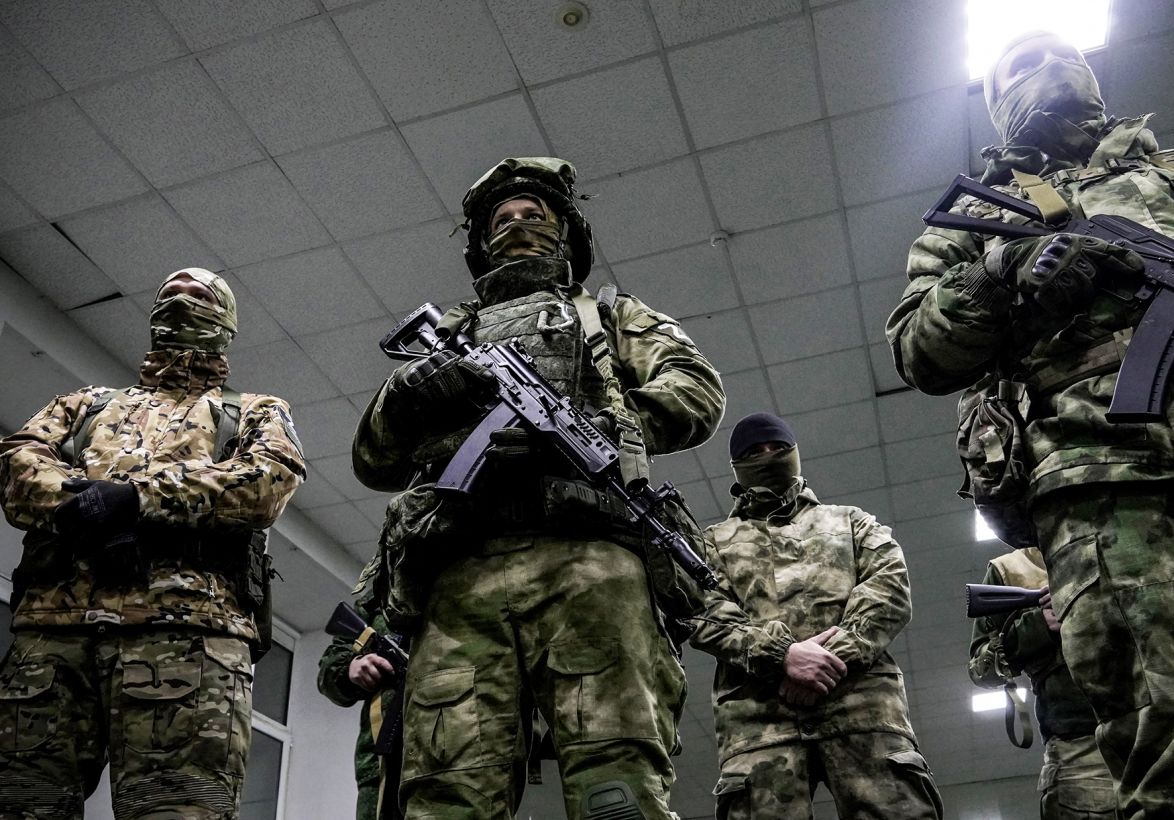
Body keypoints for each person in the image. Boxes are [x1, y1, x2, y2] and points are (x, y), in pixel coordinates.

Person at [888, 30, 1174, 819]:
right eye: (1019, 64)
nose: (1046, 66)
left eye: (1062, 54)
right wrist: (1000, 272)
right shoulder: (977, 218)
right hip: (1112, 484)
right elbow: (919, 350)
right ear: (995, 105)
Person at [351, 156, 725, 819]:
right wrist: (408, 394)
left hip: (589, 566)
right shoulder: (451, 336)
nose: (518, 225)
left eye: (534, 214)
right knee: (446, 793)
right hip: (459, 575)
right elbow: (373, 460)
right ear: (480, 242)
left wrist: (601, 427)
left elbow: (695, 390)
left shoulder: (607, 315)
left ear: (566, 232)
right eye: (503, 218)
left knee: (617, 786)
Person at [0, 267, 305, 817]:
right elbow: (19, 466)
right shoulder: (87, 404)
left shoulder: (252, 410)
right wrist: (87, 510)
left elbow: (267, 483)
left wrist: (135, 499)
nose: (181, 299)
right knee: (21, 804)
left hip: (188, 640)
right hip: (53, 633)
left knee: (177, 809)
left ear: (226, 322)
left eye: (199, 295)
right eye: (170, 294)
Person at [689, 412, 942, 820]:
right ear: (737, 467)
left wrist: (829, 660)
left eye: (778, 447)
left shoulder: (852, 523)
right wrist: (782, 656)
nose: (768, 456)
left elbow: (890, 589)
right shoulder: (710, 544)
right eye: (754, 452)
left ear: (795, 453)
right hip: (760, 725)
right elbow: (700, 611)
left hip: (862, 711)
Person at [969, 547, 1116, 818]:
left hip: (1163, 728)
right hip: (1081, 746)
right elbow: (981, 670)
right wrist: (1039, 624)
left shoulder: (1117, 542)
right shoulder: (1011, 569)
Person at [317, 582, 404, 820]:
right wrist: (352, 668)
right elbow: (328, 674)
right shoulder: (381, 595)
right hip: (381, 766)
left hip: (454, 761)